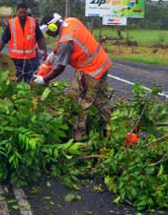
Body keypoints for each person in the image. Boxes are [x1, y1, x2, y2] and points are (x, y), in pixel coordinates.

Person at [33, 13, 112, 141]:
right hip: (102, 64)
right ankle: (114, 129)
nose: (48, 35)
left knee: (79, 103)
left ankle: (78, 139)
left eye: (48, 32)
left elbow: (60, 67)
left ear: (53, 27)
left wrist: (44, 79)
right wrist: (53, 55)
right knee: (101, 100)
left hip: (90, 71)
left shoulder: (65, 42)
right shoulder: (71, 21)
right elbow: (66, 41)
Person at [0, 3, 47, 81]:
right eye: (21, 13)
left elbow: (40, 38)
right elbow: (3, 40)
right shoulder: (11, 23)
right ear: (17, 12)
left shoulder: (33, 22)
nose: (23, 14)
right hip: (16, 59)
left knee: (33, 79)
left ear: (27, 12)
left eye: (25, 13)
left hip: (31, 58)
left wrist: (44, 51)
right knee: (16, 80)